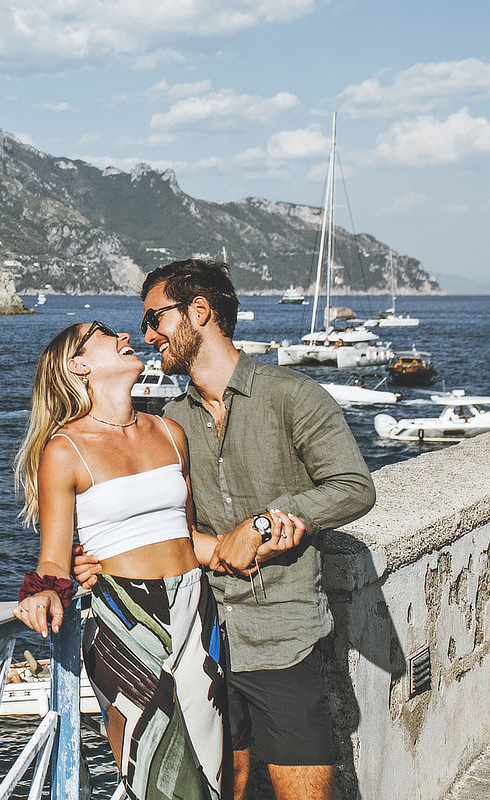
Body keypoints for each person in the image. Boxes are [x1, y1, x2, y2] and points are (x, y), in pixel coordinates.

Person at [77, 260, 376, 800]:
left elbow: (354, 486)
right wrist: (99, 557)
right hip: (200, 643)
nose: (146, 336)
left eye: (153, 318)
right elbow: (164, 529)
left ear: (199, 311)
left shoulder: (292, 395)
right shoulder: (170, 424)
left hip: (282, 642)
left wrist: (268, 521)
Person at [12, 319, 275, 800]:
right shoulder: (64, 450)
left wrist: (248, 538)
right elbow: (53, 557)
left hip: (195, 610)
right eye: (105, 333)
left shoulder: (170, 432)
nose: (125, 336)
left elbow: (186, 535)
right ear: (80, 365)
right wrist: (43, 591)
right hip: (124, 619)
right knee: (151, 769)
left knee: (211, 769)